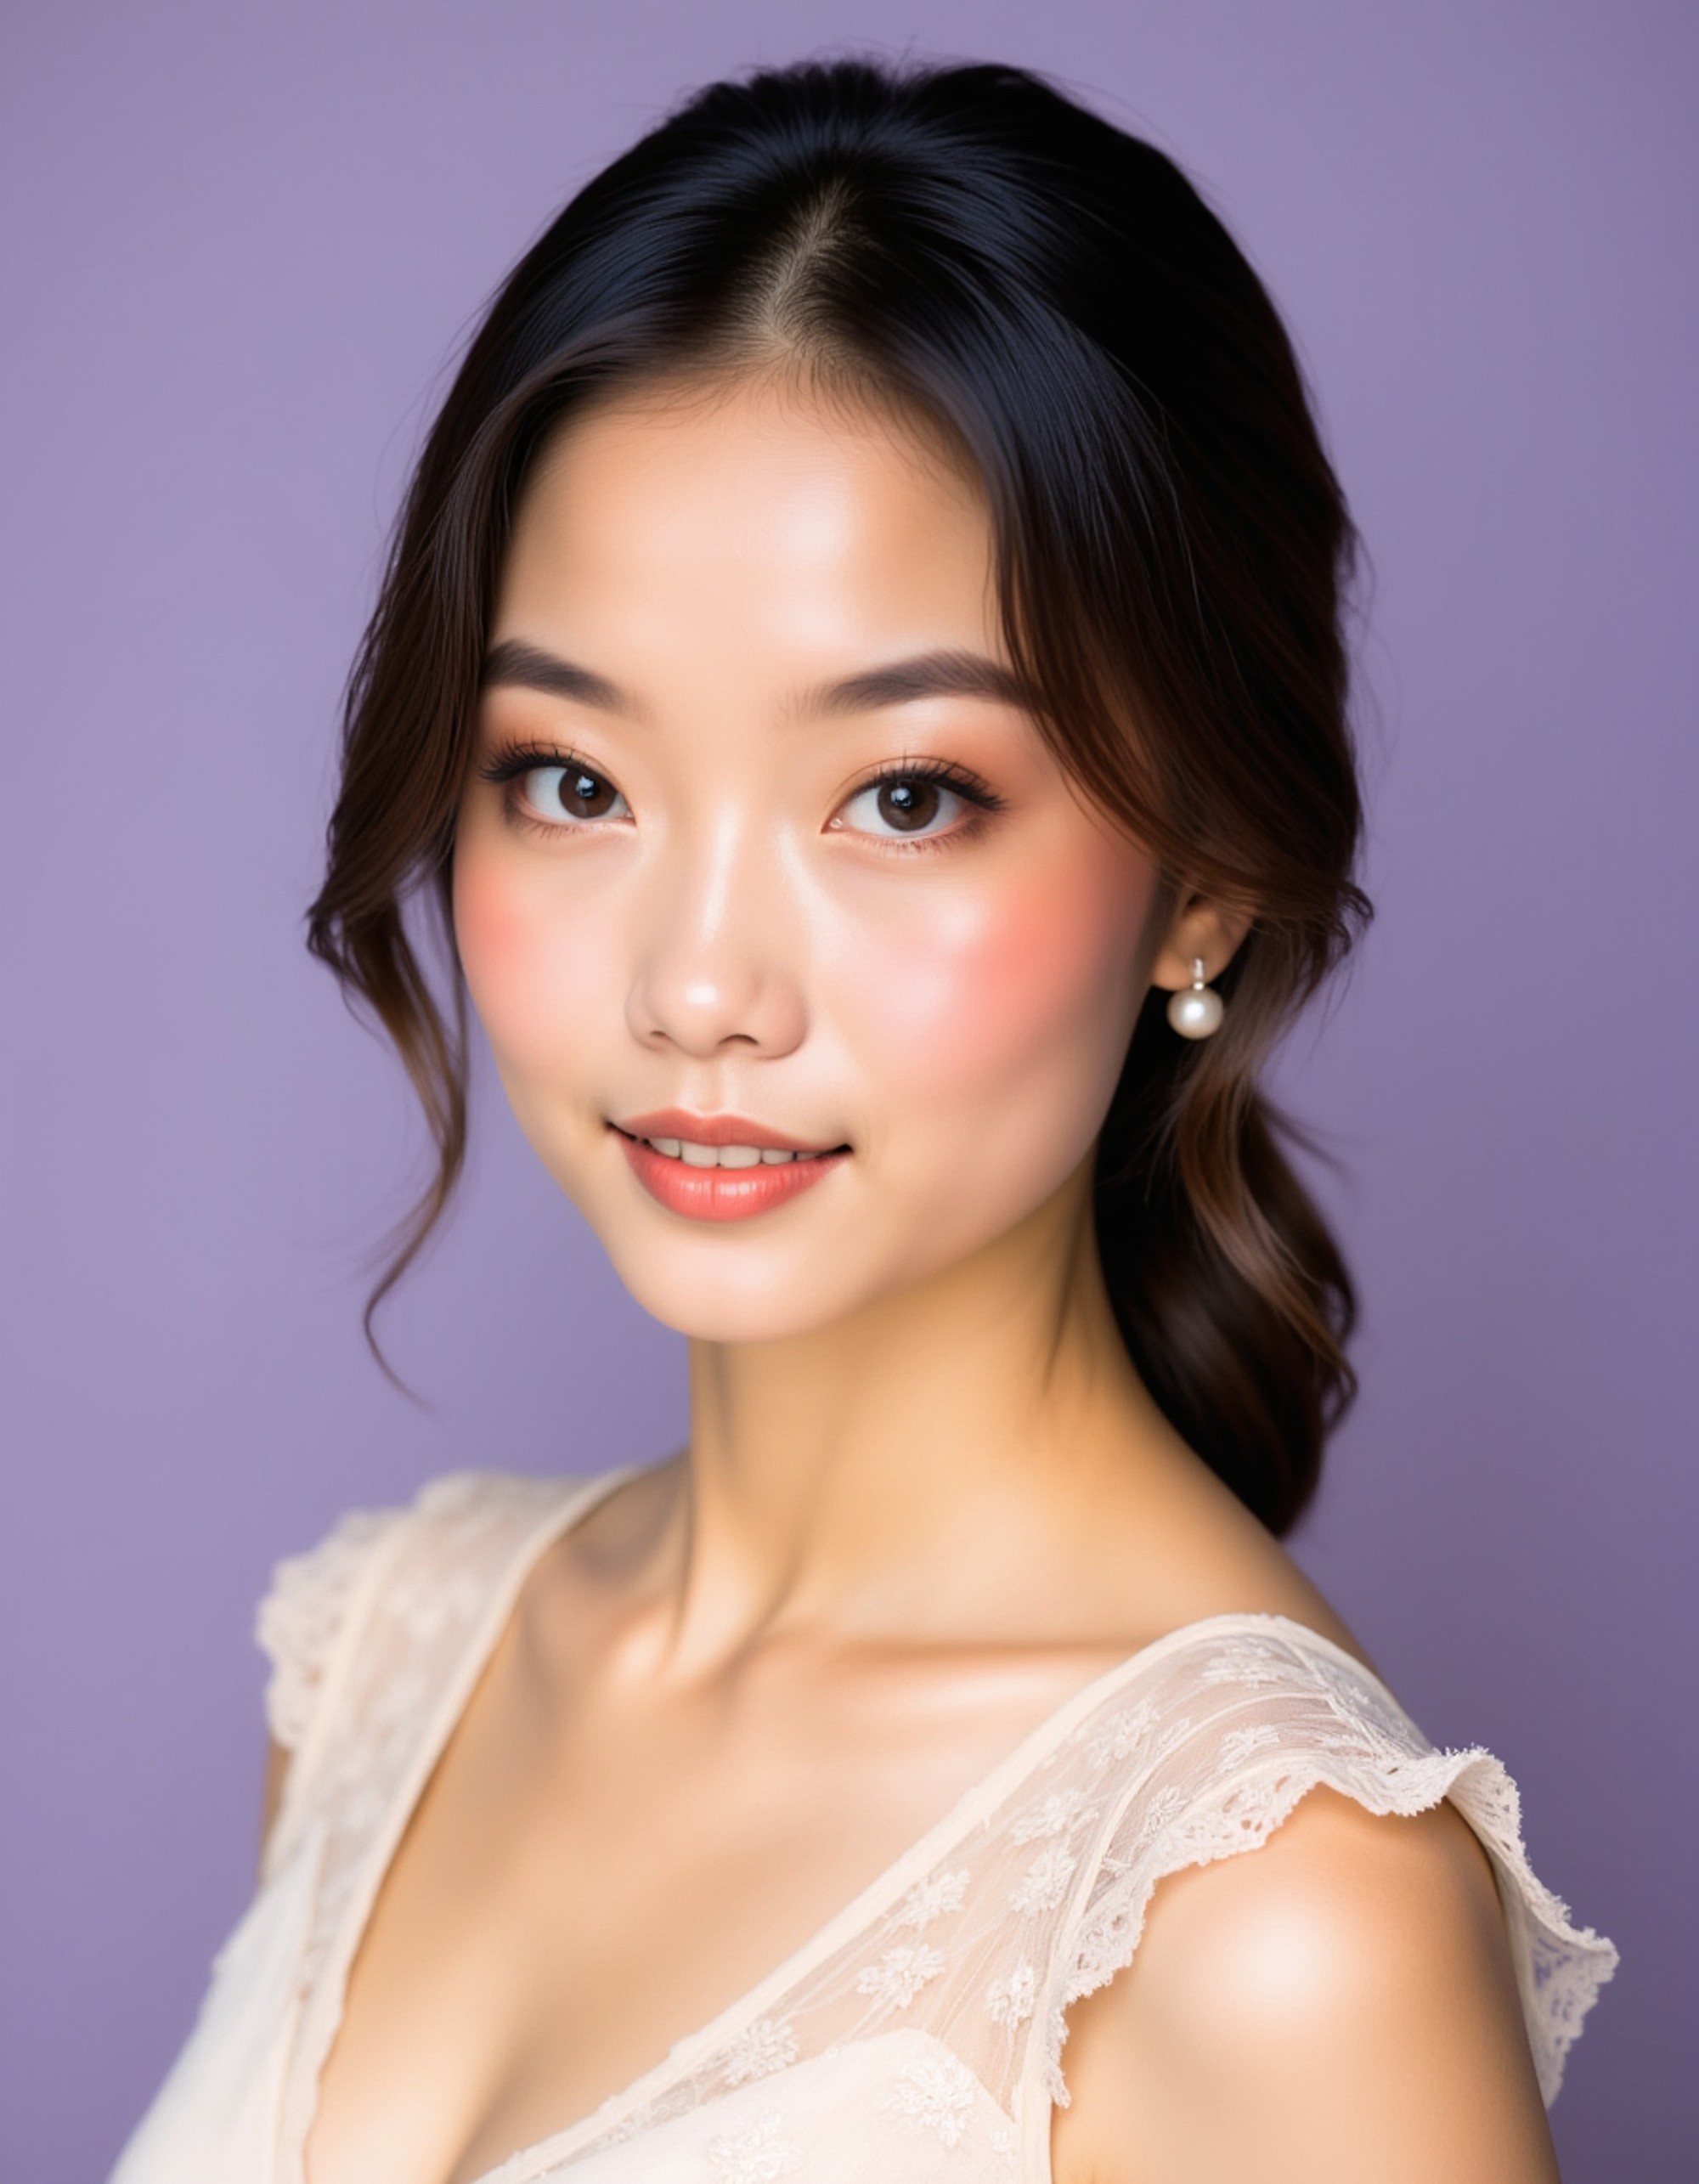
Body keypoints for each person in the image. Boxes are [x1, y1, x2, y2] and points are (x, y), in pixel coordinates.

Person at [112, 57, 1614, 2184]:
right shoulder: (390, 1664)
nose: (699, 985)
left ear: (1203, 877)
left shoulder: (1280, 1916)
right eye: (572, 776)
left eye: (904, 796)